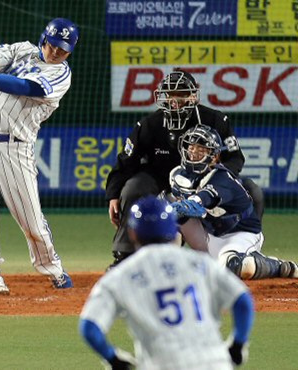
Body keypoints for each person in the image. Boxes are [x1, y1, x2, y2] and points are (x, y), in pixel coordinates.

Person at [0, 18, 78, 294]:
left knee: (30, 220)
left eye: (63, 49)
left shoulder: (61, 75)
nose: (56, 52)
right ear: (43, 39)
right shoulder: (23, 49)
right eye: (53, 44)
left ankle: (51, 266)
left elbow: (25, 87)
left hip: (14, 147)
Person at [105, 70, 264, 269]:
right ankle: (125, 256)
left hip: (206, 180)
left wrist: (215, 180)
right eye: (171, 94)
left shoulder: (215, 120)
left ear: (193, 95)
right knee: (133, 187)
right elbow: (126, 162)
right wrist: (113, 195)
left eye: (181, 93)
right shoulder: (149, 125)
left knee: (252, 191)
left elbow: (235, 158)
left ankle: (246, 251)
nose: (175, 100)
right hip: (160, 178)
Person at [79, 195, 254, 369]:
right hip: (215, 363)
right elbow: (243, 301)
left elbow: (89, 327)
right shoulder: (201, 263)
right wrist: (237, 345)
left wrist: (113, 358)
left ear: (132, 233)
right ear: (173, 228)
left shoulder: (120, 276)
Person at [168, 125, 298, 280]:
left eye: (201, 149)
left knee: (238, 267)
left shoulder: (222, 179)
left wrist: (178, 207)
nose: (194, 152)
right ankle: (167, 263)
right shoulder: (177, 174)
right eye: (191, 147)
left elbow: (200, 201)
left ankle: (280, 267)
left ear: (214, 157)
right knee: (168, 215)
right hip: (210, 233)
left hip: (240, 233)